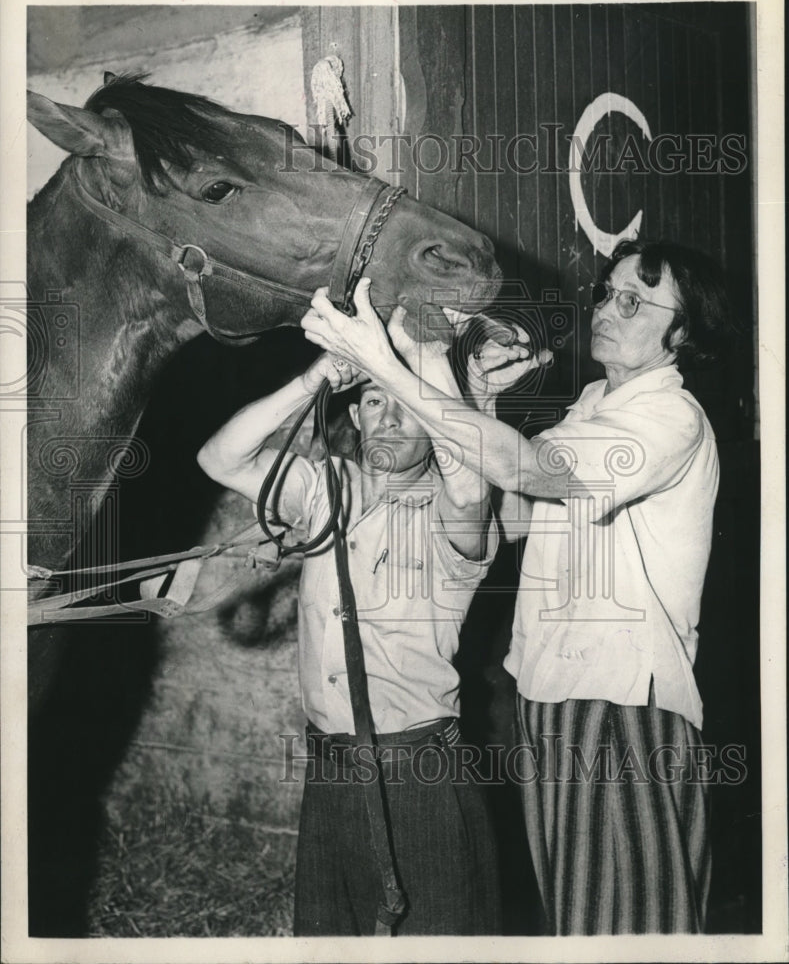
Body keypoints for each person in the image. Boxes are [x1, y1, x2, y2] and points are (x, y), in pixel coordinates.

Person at [300, 239, 731, 935]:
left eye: (634, 301)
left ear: (680, 334)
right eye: (606, 291)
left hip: (621, 704)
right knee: (577, 917)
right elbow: (507, 510)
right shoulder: (596, 402)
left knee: (628, 931)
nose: (607, 309)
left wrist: (386, 361)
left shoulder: (668, 417)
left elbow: (529, 472)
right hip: (553, 697)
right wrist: (469, 394)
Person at [197, 290, 538, 935]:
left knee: (445, 944)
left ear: (433, 427)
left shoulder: (455, 510)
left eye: (406, 409)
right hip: (331, 768)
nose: (388, 419)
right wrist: (315, 377)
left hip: (419, 770)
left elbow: (468, 479)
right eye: (376, 401)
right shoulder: (326, 488)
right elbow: (221, 458)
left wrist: (434, 381)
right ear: (355, 414)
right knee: (328, 941)